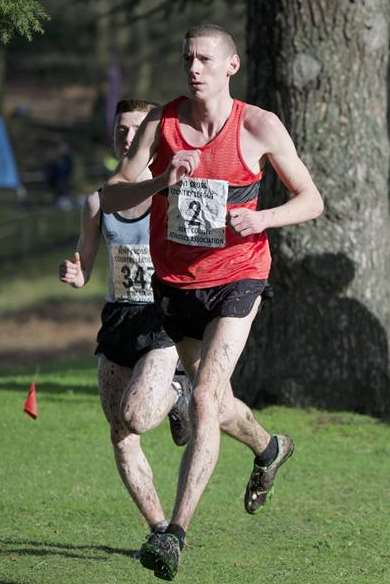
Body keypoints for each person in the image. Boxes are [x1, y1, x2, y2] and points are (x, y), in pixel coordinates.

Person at [102, 24, 324, 580]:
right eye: (187, 59)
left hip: (239, 277)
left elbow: (312, 199)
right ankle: (269, 447)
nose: (193, 67)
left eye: (204, 59)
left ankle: (174, 533)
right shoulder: (163, 124)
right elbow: (114, 194)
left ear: (231, 66)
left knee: (203, 396)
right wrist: (158, 184)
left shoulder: (258, 125)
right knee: (216, 400)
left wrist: (263, 218)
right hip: (176, 285)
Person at [59, 98, 192, 535]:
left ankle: (179, 390)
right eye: (121, 129)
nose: (127, 137)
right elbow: (86, 262)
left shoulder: (174, 195)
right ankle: (159, 531)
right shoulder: (98, 203)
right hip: (117, 323)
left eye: (137, 129)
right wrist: (76, 272)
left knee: (137, 416)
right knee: (121, 435)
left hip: (161, 324)